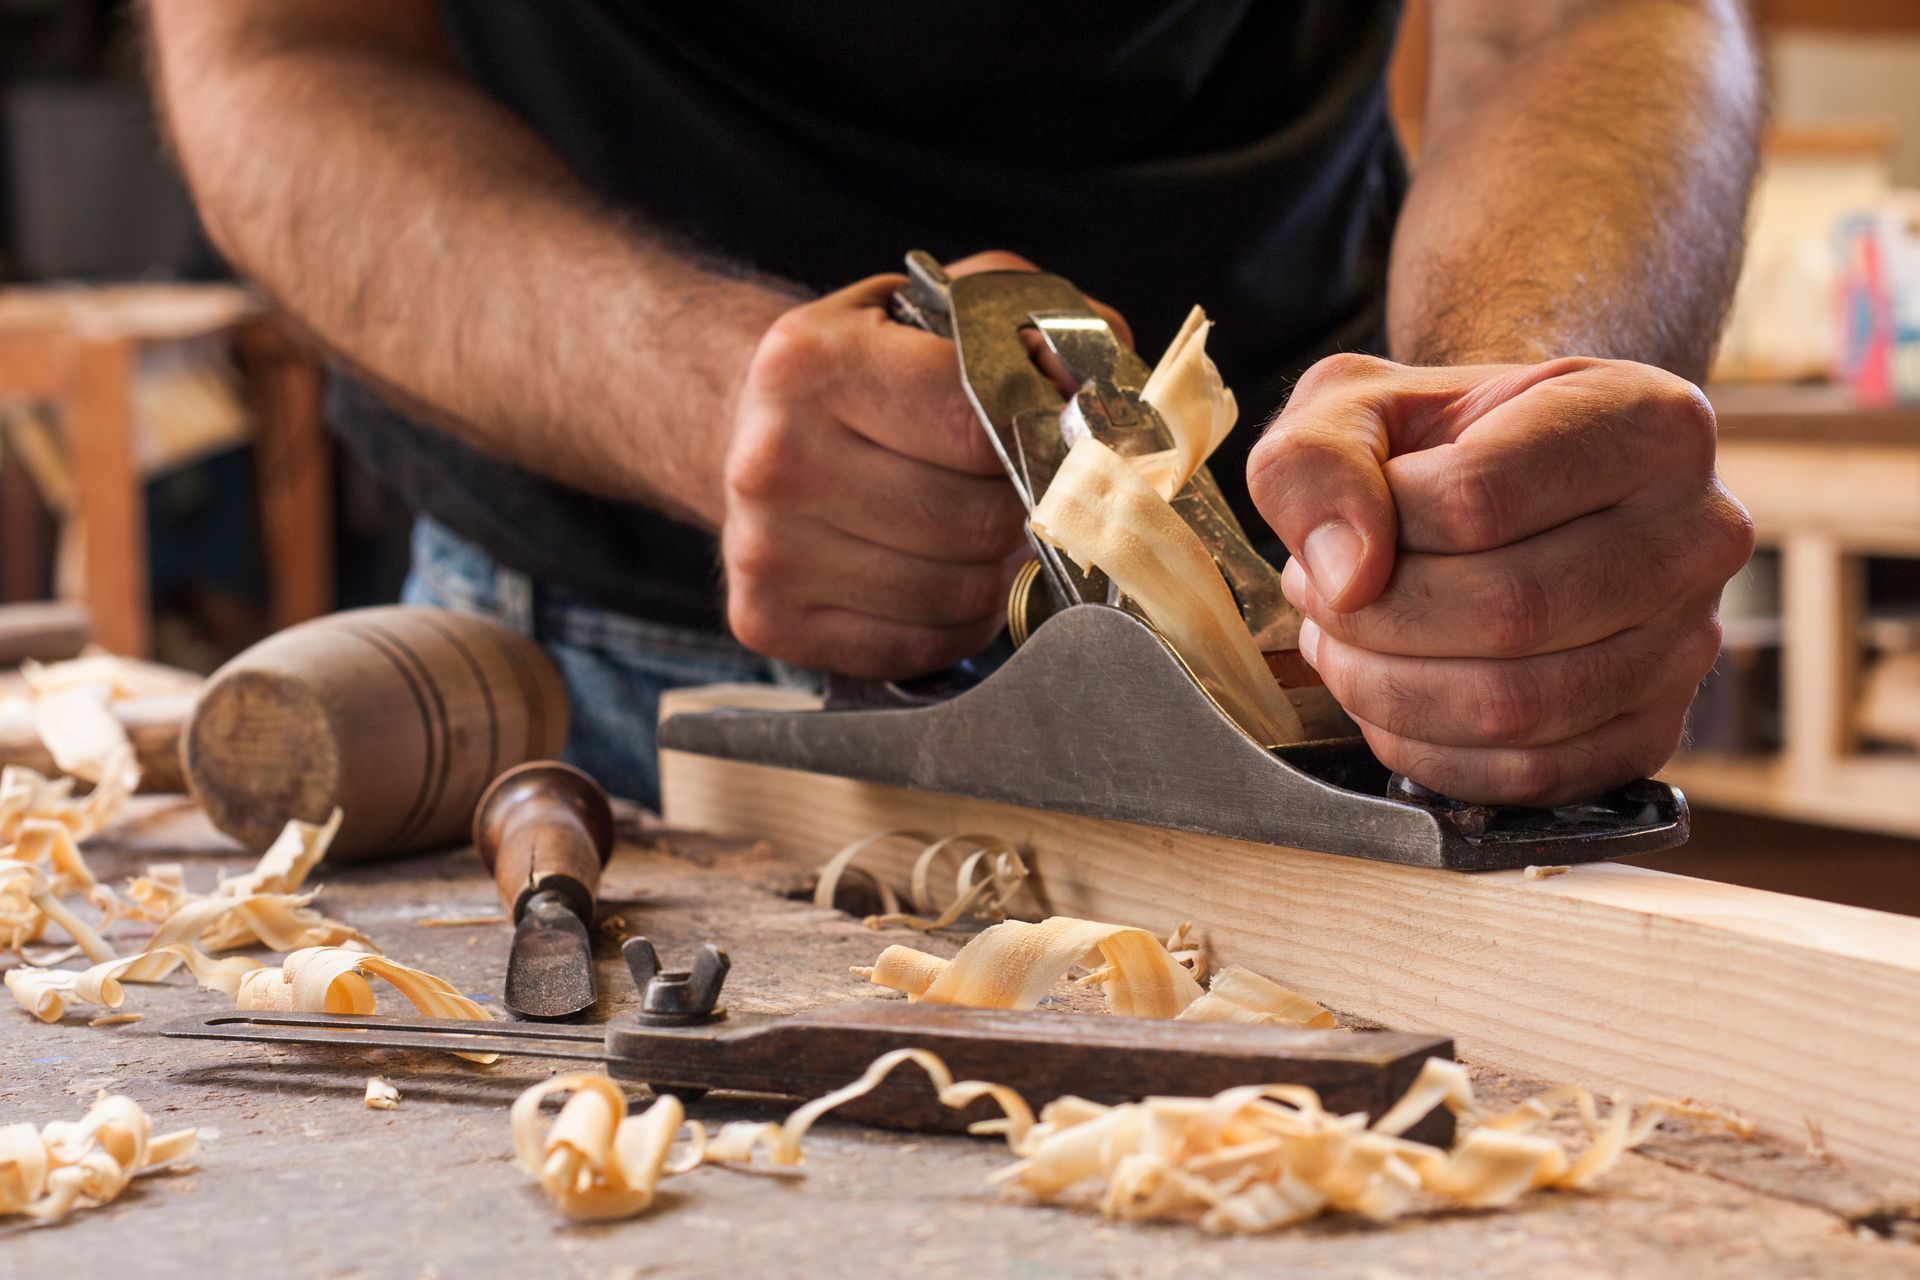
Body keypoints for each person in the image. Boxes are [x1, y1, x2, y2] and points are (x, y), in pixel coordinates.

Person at [147, 1, 1760, 810]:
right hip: (599, 706)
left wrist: (1497, 423)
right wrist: (698, 395)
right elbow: (280, 52)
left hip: (1354, 664)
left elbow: (1584, 22)